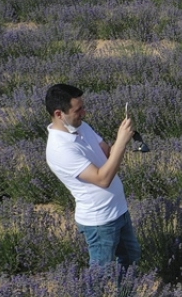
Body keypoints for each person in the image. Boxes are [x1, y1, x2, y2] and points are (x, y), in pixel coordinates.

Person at [44, 83, 141, 267]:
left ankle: (126, 296)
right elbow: (103, 179)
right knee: (101, 274)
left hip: (119, 210)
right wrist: (121, 142)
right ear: (59, 114)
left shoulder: (81, 127)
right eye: (78, 110)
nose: (84, 113)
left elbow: (107, 155)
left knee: (131, 259)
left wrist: (124, 139)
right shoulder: (59, 149)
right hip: (100, 222)